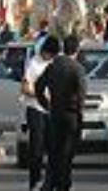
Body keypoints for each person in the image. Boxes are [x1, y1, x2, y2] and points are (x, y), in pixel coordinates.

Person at [36, 35, 87, 191]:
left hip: (55, 114)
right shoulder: (77, 68)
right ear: (76, 50)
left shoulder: (52, 66)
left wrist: (46, 105)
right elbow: (81, 93)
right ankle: (63, 183)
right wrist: (80, 112)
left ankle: (51, 182)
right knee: (67, 153)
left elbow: (38, 87)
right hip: (71, 115)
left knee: (54, 152)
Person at [22, 36, 61, 190]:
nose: (49, 58)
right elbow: (25, 87)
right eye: (48, 54)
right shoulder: (34, 63)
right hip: (36, 109)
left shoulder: (56, 63)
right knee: (36, 147)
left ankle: (51, 181)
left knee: (53, 147)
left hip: (52, 110)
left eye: (53, 56)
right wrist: (40, 95)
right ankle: (34, 180)